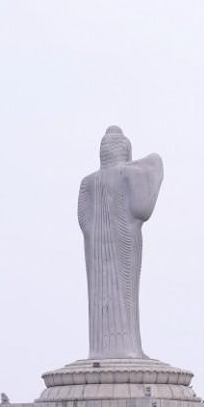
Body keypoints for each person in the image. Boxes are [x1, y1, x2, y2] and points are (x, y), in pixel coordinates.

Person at [78, 125, 164, 360]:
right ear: (125, 152)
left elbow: (84, 222)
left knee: (105, 297)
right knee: (124, 294)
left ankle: (106, 348)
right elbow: (142, 209)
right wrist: (154, 166)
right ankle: (128, 347)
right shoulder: (128, 174)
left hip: (96, 246)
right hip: (123, 237)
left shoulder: (87, 183)